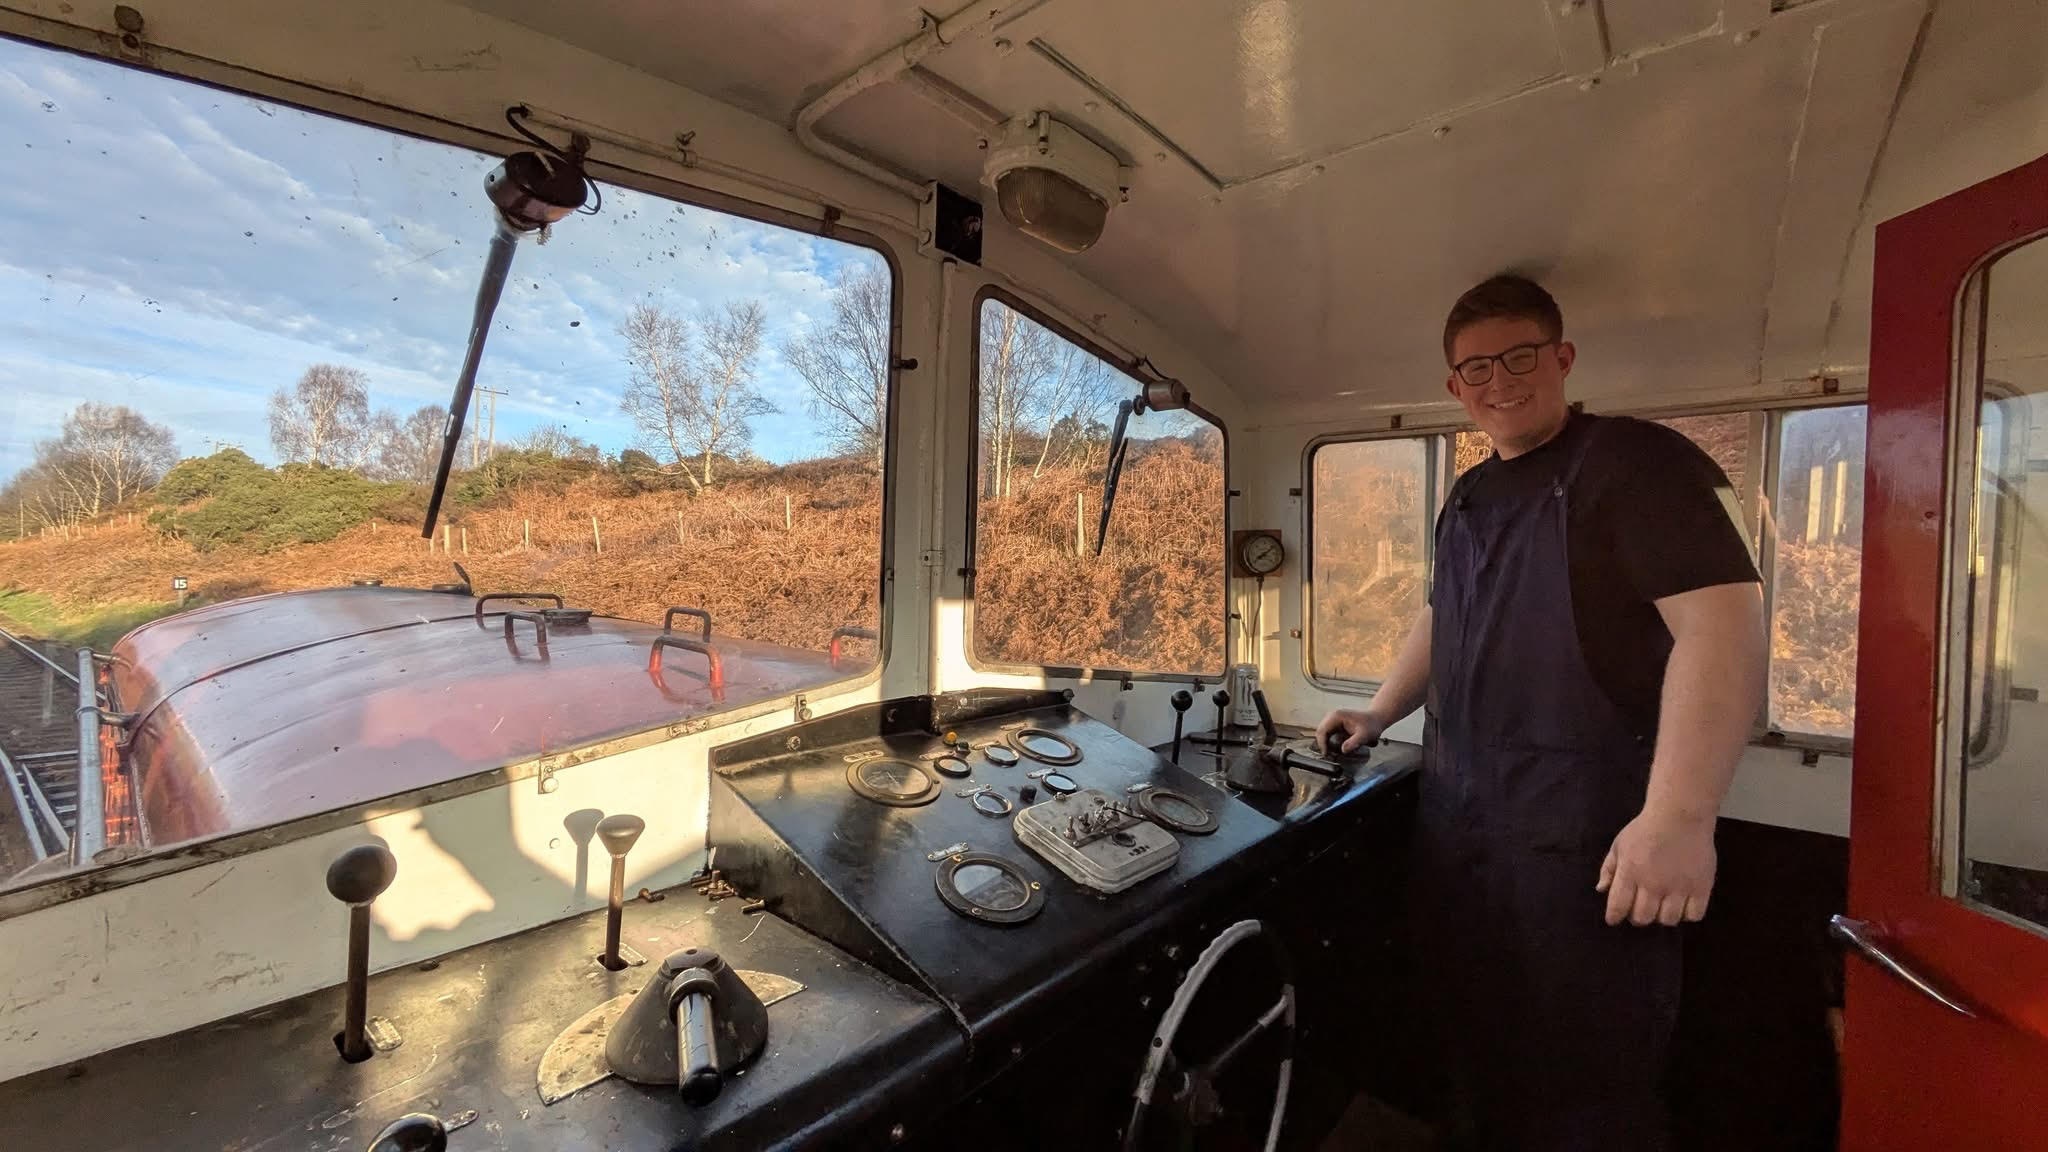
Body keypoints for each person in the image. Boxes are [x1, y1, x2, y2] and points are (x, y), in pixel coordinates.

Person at [1317, 275, 1766, 1150]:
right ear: (1455, 387)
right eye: (1476, 368)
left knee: (1587, 1068)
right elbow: (1442, 615)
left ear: (1562, 358)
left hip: (1587, 839)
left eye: (1520, 357)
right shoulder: (1467, 497)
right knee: (1475, 1036)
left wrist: (1679, 817)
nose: (1500, 382)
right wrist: (1377, 712)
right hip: (1462, 824)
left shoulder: (1640, 465)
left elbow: (1725, 627)